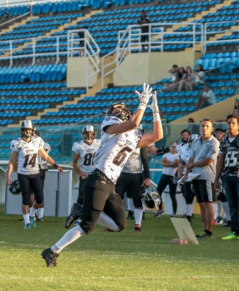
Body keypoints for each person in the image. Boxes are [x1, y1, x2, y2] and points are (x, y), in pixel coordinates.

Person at [42, 85, 162, 267]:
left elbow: (157, 136)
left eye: (119, 109)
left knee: (119, 224)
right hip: (98, 179)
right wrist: (143, 103)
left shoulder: (132, 135)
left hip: (110, 184)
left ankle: (82, 211)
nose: (116, 111)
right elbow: (133, 123)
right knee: (87, 226)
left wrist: (155, 111)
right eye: (114, 109)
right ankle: (52, 250)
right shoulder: (109, 126)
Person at [7, 120, 63, 229]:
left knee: (40, 198)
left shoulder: (37, 141)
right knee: (26, 198)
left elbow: (46, 157)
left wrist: (56, 166)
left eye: (29, 130)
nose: (27, 132)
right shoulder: (17, 143)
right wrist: (8, 175)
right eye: (25, 130)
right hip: (23, 174)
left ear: (33, 130)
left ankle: (32, 214)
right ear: (21, 131)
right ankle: (27, 222)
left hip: (35, 173)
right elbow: (12, 161)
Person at [181, 119, 220, 238]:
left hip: (207, 176)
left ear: (211, 128)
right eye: (203, 126)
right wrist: (186, 174)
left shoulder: (214, 142)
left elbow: (209, 160)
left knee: (208, 203)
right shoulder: (196, 141)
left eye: (207, 126)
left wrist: (192, 165)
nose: (205, 128)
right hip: (195, 176)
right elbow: (191, 158)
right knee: (202, 203)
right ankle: (205, 230)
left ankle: (209, 231)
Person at [115, 127, 151, 234]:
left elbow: (145, 160)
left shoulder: (142, 144)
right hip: (123, 174)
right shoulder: (124, 141)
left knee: (138, 201)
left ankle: (138, 225)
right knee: (116, 198)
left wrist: (147, 177)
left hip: (136, 175)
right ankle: (116, 222)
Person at [67, 126, 100, 228]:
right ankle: (77, 216)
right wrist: (81, 173)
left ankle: (89, 217)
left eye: (90, 133)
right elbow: (74, 163)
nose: (89, 136)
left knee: (96, 196)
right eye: (87, 134)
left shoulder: (99, 143)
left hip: (96, 174)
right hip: (85, 174)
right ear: (83, 134)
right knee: (81, 197)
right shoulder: (78, 145)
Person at [154, 142, 180, 218]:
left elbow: (176, 164)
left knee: (172, 195)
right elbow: (163, 164)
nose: (174, 147)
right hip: (164, 176)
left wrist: (169, 162)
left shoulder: (178, 155)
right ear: (170, 147)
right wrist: (172, 164)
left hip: (172, 177)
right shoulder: (165, 155)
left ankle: (174, 212)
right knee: (158, 191)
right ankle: (160, 209)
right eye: (172, 146)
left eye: (175, 146)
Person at [176, 130, 195, 222]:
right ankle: (189, 216)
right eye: (183, 135)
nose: (185, 136)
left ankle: (213, 217)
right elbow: (181, 162)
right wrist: (179, 177)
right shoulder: (179, 147)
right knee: (187, 195)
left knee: (203, 198)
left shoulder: (195, 147)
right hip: (186, 173)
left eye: (187, 135)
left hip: (197, 172)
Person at [33, 130, 52, 222]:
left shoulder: (34, 144)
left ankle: (32, 215)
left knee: (32, 193)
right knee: (40, 193)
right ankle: (39, 215)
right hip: (43, 169)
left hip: (35, 169)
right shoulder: (46, 145)